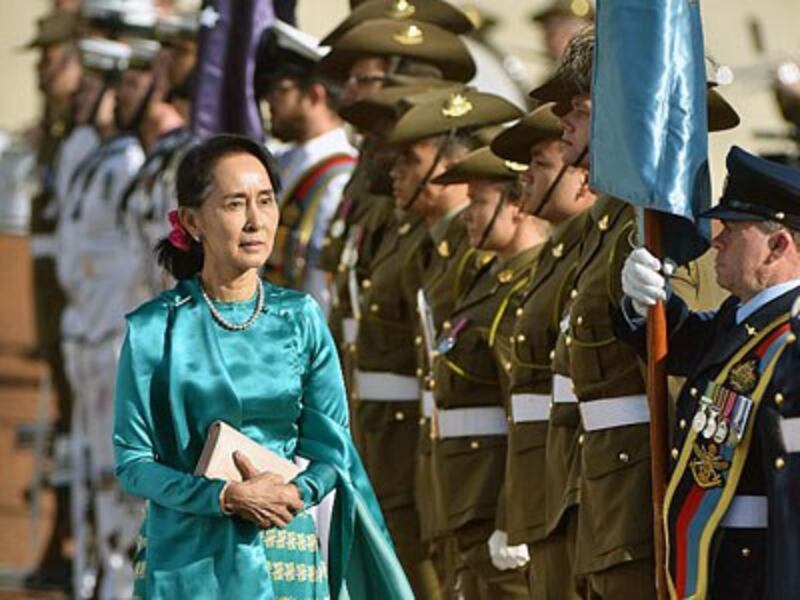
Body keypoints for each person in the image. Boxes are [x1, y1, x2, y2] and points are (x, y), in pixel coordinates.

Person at [113, 133, 413, 599]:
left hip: (283, 548)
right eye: (235, 204)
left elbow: (331, 447)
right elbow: (133, 462)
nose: (256, 221)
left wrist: (297, 493)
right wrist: (223, 497)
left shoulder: (301, 318)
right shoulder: (154, 329)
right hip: (187, 560)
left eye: (266, 201)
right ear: (192, 222)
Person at [527, 26, 741, 600]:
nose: (563, 125)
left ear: (622, 111)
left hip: (644, 498)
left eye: (577, 108)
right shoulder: (607, 225)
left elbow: (698, 373)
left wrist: (686, 505)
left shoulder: (666, 222)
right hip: (598, 494)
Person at [616, 146, 800, 600]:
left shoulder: (791, 333)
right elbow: (681, 344)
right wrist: (642, 305)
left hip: (762, 571)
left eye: (733, 231)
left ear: (778, 245)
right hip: (718, 564)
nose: (716, 239)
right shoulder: (742, 318)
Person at [426, 142, 548, 598]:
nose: (467, 215)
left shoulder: (522, 287)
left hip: (492, 496)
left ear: (516, 205)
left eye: (478, 202)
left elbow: (525, 411)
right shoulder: (488, 278)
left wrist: (510, 516)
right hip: (466, 496)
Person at [489, 103, 596, 600]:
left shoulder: (587, 257)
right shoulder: (557, 256)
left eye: (541, 164)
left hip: (578, 494)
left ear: (583, 180)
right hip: (545, 488)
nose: (526, 177)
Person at [55, 35, 146, 600]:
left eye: (97, 87)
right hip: (85, 330)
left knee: (121, 477)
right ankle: (95, 580)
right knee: (92, 471)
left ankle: (120, 583)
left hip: (114, 331)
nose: (83, 96)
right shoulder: (96, 156)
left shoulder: (129, 162)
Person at [255, 21, 357, 311]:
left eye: (280, 90)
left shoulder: (339, 176)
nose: (269, 100)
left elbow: (322, 281)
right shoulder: (284, 161)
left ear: (314, 96)